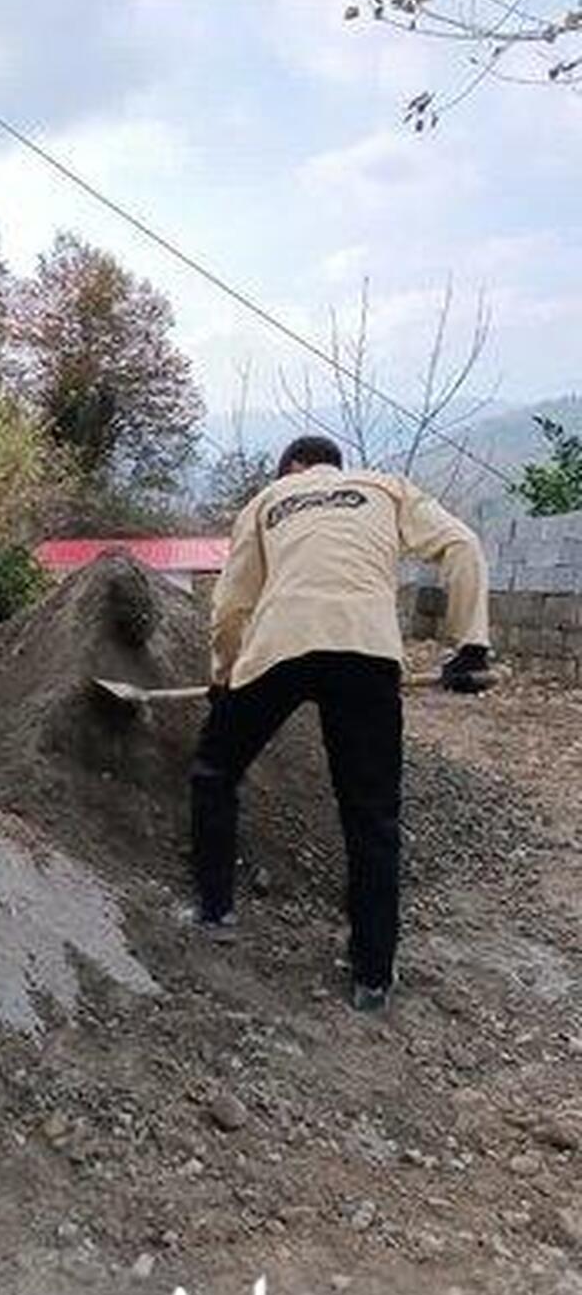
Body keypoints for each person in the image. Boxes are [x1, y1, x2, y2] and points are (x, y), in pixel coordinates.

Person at [188, 435, 491, 1014]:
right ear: (332, 468)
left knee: (214, 770)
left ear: (293, 469)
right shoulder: (385, 489)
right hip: (366, 649)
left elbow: (230, 604)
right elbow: (462, 545)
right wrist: (471, 646)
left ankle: (215, 910)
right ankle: (373, 974)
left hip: (281, 647)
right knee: (372, 815)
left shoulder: (268, 501)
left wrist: (224, 675)